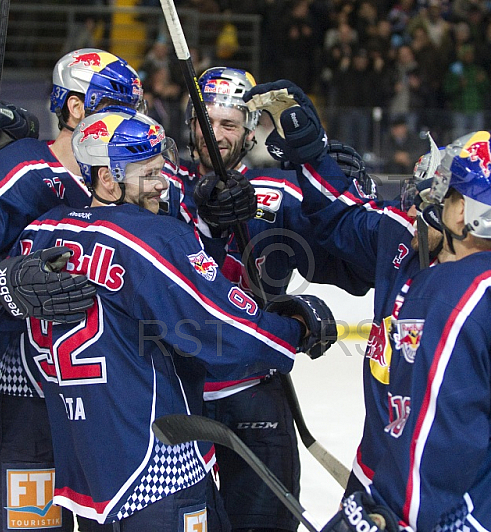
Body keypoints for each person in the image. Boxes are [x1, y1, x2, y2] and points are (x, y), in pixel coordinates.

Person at [13, 110, 337, 530]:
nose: (162, 183)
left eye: (160, 170)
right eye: (147, 174)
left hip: (87, 474)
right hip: (155, 467)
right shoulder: (152, 236)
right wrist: (297, 331)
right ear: (107, 180)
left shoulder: (40, 232)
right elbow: (223, 333)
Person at [0, 48, 146, 532]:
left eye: (136, 109)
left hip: (116, 411)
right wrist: (9, 287)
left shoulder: (137, 178)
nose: (131, 121)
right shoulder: (20, 170)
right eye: (119, 107)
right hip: (28, 400)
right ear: (77, 109)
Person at [322, 131, 491, 532]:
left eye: (444, 197)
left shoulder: (450, 291)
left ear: (462, 211)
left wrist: (391, 515)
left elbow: (434, 434)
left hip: (468, 507)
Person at [177, 67, 374, 532]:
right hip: (177, 393)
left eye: (230, 124)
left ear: (249, 132)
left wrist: (348, 200)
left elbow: (354, 270)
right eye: (208, 121)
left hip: (255, 394)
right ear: (190, 124)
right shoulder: (158, 187)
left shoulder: (279, 193)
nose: (217, 135)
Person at [243, 79, 451, 498]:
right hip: (383, 449)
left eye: (436, 204)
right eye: (416, 200)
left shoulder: (486, 281)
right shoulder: (397, 231)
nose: (415, 212)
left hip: (447, 462)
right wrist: (314, 155)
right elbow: (342, 221)